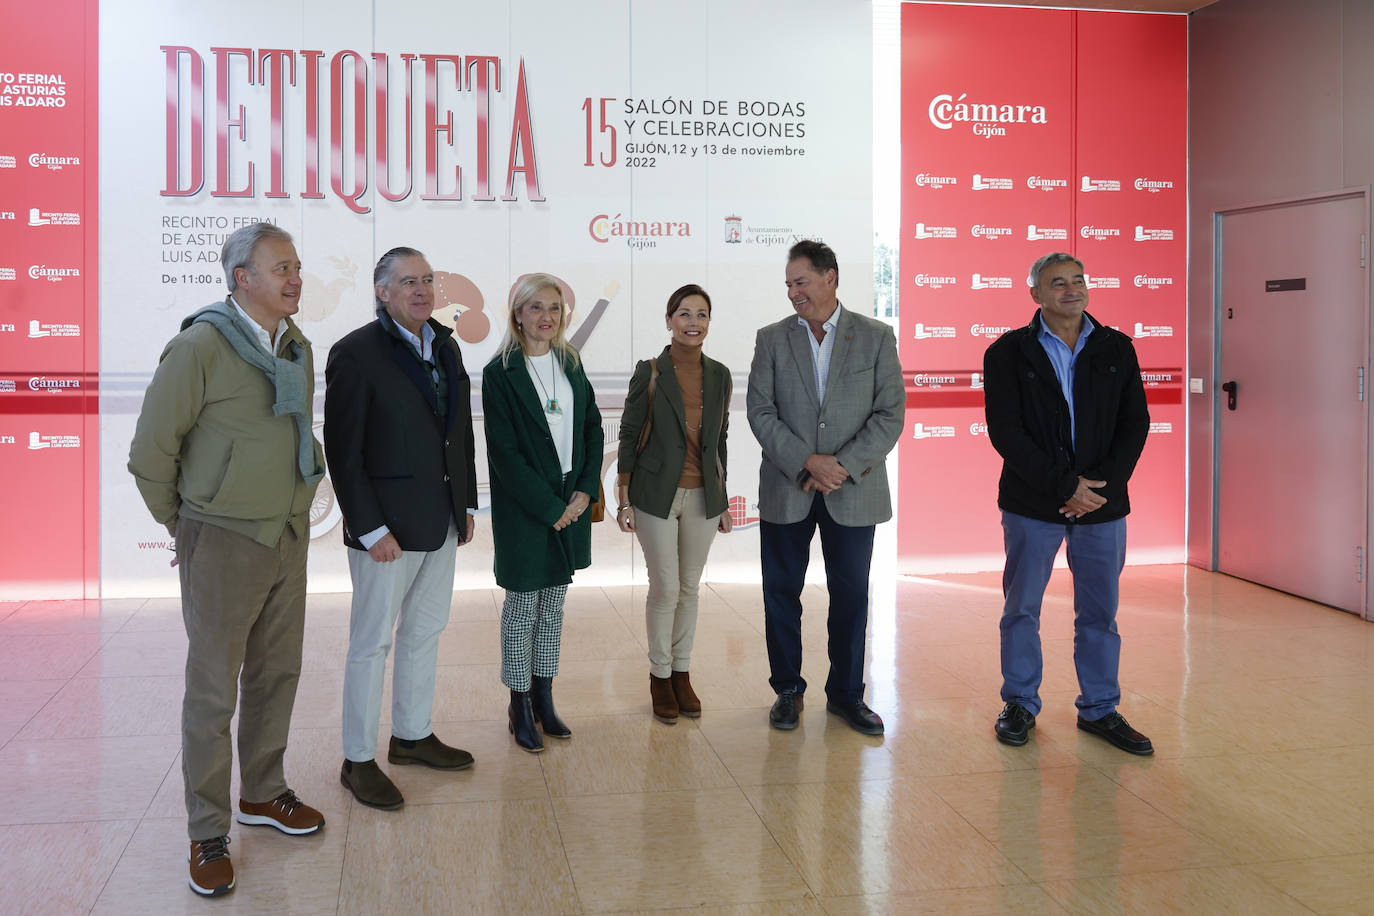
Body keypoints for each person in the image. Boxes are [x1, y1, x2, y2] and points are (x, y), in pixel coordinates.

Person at [128, 223, 326, 897]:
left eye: (297, 266)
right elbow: (151, 452)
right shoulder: (200, 345)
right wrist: (182, 528)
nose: (295, 278)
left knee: (277, 674)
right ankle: (207, 829)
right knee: (213, 691)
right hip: (222, 538)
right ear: (243, 278)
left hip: (286, 535)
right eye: (280, 268)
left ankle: (263, 793)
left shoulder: (295, 344)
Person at [324, 247, 479, 810]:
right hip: (384, 533)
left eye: (428, 280)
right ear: (382, 292)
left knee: (424, 632)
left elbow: (457, 432)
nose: (421, 290)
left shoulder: (446, 345)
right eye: (407, 281)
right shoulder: (355, 353)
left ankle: (412, 736)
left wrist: (465, 503)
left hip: (439, 520)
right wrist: (368, 528)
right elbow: (343, 452)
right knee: (372, 643)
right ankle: (357, 759)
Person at [982, 252, 1153, 756]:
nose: (1072, 290)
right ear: (1035, 293)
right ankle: (1019, 703)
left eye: (1078, 281)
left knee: (1100, 612)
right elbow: (1006, 432)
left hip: (1101, 504)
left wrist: (1096, 487)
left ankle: (1100, 708)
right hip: (1033, 503)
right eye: (1058, 283)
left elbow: (1134, 423)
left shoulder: (1116, 346)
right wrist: (1064, 487)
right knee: (1022, 609)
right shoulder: (1008, 352)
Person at [745, 240, 904, 735]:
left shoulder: (876, 336)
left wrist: (841, 466)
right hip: (787, 488)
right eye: (789, 285)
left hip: (852, 490)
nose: (794, 293)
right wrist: (807, 461)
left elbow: (890, 413)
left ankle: (847, 696)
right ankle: (788, 691)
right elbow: (760, 411)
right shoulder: (771, 339)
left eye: (802, 282)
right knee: (780, 593)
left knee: (852, 595)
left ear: (830, 277)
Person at [481, 274, 603, 752]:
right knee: (522, 609)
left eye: (554, 307)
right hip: (528, 509)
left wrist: (582, 494)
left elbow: (593, 428)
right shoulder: (500, 373)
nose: (546, 317)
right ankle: (519, 703)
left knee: (553, 608)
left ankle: (545, 697)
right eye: (535, 307)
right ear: (517, 314)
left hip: (570, 501)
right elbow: (504, 455)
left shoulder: (570, 362)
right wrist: (551, 508)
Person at [615, 284, 733, 723]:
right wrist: (623, 496)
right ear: (669, 320)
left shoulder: (720, 374)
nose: (693, 323)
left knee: (689, 588)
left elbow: (720, 440)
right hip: (654, 495)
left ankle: (683, 674)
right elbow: (629, 433)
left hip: (704, 495)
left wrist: (722, 498)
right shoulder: (651, 372)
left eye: (701, 314)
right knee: (665, 587)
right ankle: (659, 676)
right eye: (684, 314)